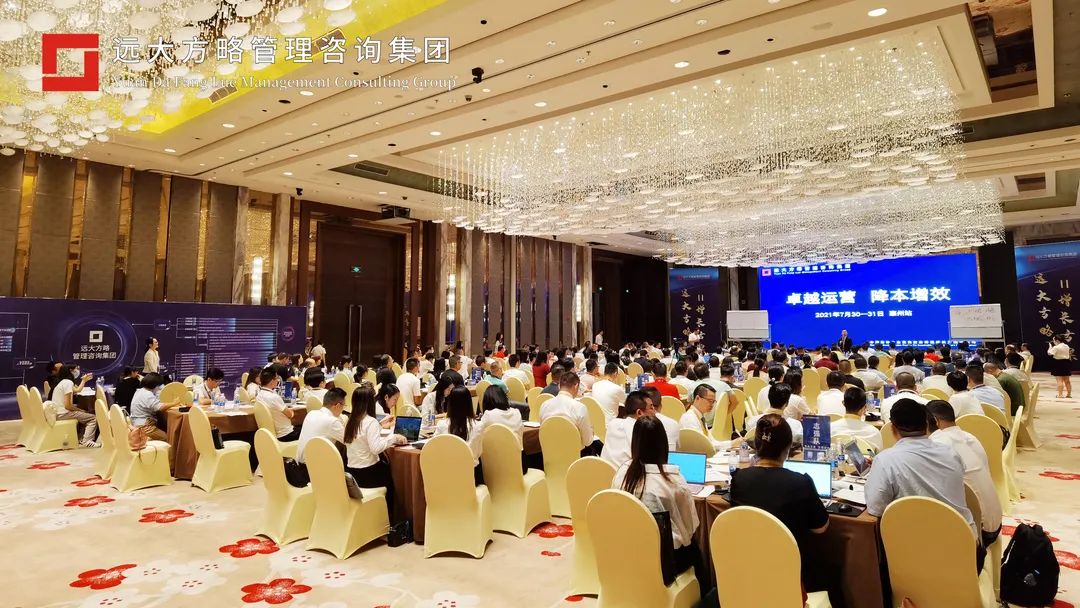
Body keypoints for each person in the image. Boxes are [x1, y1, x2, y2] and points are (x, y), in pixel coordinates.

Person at [865, 398, 981, 568]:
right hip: (966, 547)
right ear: (927, 425)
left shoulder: (885, 460)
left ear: (893, 429)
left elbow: (876, 508)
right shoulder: (951, 453)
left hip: (914, 556)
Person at [730, 414, 828, 589]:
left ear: (756, 446)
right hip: (791, 575)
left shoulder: (739, 479)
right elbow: (820, 528)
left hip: (747, 572)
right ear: (789, 447)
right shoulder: (801, 482)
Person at [613, 416, 703, 584]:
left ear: (635, 443)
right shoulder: (673, 481)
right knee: (696, 548)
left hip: (627, 553)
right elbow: (690, 527)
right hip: (666, 562)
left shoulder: (622, 474)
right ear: (663, 444)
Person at [927, 400, 1002, 550]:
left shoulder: (938, 444)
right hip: (996, 521)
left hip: (977, 533)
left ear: (935, 421)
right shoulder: (970, 437)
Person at [344, 385, 407, 521]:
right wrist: (394, 438)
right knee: (394, 476)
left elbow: (364, 439)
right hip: (369, 473)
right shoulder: (370, 421)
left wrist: (379, 426)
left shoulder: (351, 421)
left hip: (353, 471)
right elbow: (376, 448)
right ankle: (392, 518)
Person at [539, 371, 599, 455]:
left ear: (559, 386)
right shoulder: (580, 408)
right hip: (575, 457)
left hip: (549, 455)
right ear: (576, 386)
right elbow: (587, 441)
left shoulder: (544, 405)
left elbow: (543, 433)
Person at [436, 386, 484, 485]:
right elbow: (479, 452)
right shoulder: (478, 425)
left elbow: (435, 448)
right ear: (469, 403)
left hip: (446, 475)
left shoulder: (442, 424)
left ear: (450, 403)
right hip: (472, 475)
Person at [599, 390, 655, 469]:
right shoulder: (642, 431)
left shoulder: (613, 423)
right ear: (639, 413)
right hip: (628, 475)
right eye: (651, 408)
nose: (655, 412)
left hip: (603, 472)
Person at [679, 384, 742, 451]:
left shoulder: (700, 416)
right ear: (697, 398)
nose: (712, 405)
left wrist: (733, 443)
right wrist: (731, 444)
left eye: (713, 401)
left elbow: (712, 442)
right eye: (710, 401)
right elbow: (704, 445)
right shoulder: (689, 418)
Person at [50, 364, 99, 447]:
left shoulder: (64, 382)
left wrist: (84, 380)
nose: (77, 371)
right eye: (76, 369)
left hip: (59, 412)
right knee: (93, 418)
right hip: (63, 413)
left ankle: (82, 438)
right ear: (71, 371)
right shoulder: (68, 383)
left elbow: (77, 390)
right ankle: (87, 441)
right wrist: (80, 410)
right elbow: (67, 406)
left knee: (84, 415)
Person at [296, 387, 347, 463]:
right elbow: (349, 441)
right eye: (344, 406)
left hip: (300, 463)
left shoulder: (311, 413)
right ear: (338, 406)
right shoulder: (332, 421)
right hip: (315, 466)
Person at [129, 373, 182, 443]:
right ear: (155, 385)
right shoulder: (147, 394)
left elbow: (156, 402)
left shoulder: (140, 391)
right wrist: (174, 403)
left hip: (137, 423)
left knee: (163, 426)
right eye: (159, 385)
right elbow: (159, 407)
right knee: (167, 438)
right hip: (144, 426)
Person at [255, 368, 301, 442]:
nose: (278, 380)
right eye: (276, 378)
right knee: (310, 431)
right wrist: (291, 411)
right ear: (272, 381)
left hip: (271, 434)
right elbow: (290, 415)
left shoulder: (258, 395)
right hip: (286, 434)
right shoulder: (273, 397)